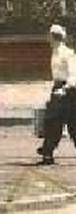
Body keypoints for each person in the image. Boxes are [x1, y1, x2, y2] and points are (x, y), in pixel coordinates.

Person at [37, 22, 76, 164]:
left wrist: (64, 89)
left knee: (73, 123)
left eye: (49, 36)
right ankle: (47, 153)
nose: (47, 38)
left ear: (54, 37)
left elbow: (73, 74)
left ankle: (48, 150)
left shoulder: (67, 53)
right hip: (58, 87)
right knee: (52, 122)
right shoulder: (55, 52)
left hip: (69, 91)